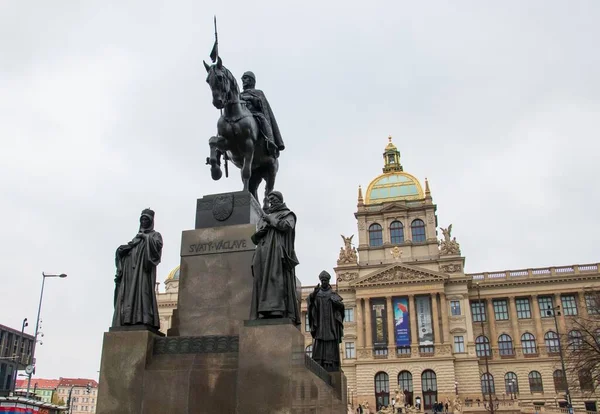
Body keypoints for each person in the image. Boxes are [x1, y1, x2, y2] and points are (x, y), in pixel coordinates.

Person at [249, 191, 301, 324]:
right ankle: (260, 312)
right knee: (260, 280)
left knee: (275, 280)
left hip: (276, 253)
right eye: (269, 199)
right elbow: (255, 238)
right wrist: (262, 230)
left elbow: (287, 226)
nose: (271, 201)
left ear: (279, 199)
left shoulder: (288, 214)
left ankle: (276, 310)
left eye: (273, 199)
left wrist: (270, 220)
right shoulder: (266, 217)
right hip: (262, 252)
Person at [112, 209, 163, 330]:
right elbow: (131, 247)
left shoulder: (155, 235)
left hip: (143, 271)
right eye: (142, 219)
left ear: (151, 221)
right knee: (129, 295)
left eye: (146, 219)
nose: (144, 221)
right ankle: (128, 318)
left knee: (143, 293)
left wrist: (145, 237)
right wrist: (122, 251)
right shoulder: (136, 237)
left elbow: (156, 249)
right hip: (131, 272)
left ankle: (144, 318)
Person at [307, 270, 345, 371]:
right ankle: (319, 361)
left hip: (331, 323)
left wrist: (337, 304)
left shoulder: (333, 293)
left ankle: (331, 363)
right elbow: (310, 303)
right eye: (322, 280)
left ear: (328, 281)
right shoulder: (317, 294)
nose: (323, 282)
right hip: (320, 323)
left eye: (325, 280)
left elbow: (341, 307)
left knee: (330, 340)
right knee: (319, 340)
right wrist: (313, 295)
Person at [240, 71, 285, 154]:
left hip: (255, 114)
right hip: (242, 116)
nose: (242, 80)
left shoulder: (258, 92)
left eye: (245, 78)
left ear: (251, 80)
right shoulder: (240, 94)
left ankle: (270, 141)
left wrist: (249, 98)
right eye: (243, 78)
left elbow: (260, 103)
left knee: (263, 120)